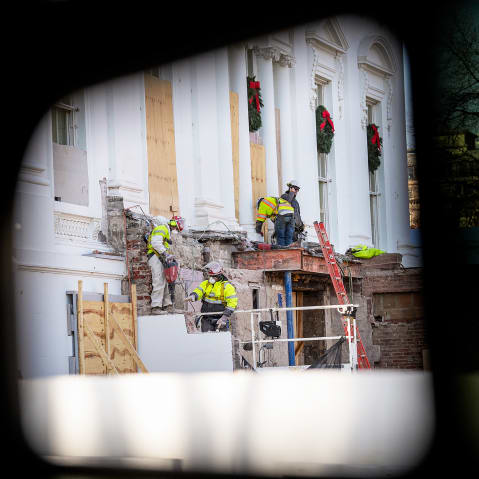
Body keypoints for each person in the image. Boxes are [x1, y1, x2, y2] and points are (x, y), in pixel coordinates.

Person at [146, 215, 184, 314]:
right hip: (155, 257)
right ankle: (156, 307)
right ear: (173, 224)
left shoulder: (166, 230)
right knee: (158, 281)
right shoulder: (162, 228)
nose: (175, 230)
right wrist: (165, 253)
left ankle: (168, 305)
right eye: (175, 228)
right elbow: (155, 243)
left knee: (167, 281)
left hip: (161, 257)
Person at [185, 261, 238, 332]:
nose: (211, 278)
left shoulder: (227, 287)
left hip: (220, 319)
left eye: (213, 277)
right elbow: (199, 291)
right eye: (210, 276)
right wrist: (193, 296)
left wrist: (224, 318)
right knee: (207, 339)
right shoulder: (206, 284)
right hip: (206, 319)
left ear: (219, 276)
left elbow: (232, 304)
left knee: (220, 340)